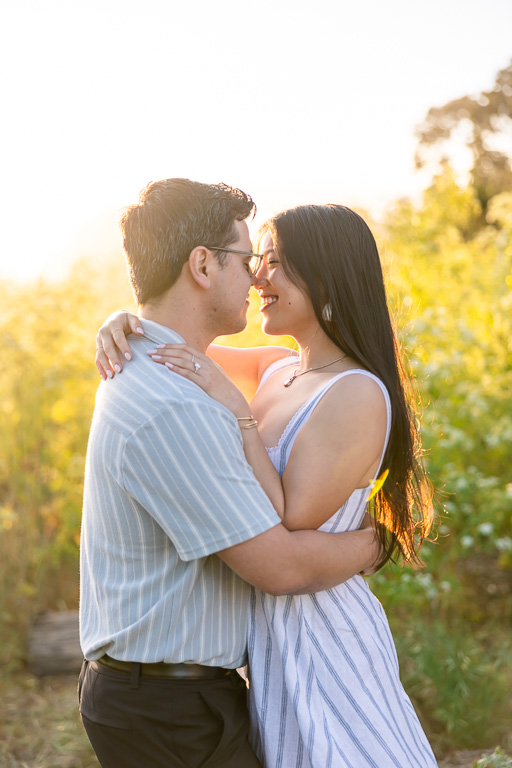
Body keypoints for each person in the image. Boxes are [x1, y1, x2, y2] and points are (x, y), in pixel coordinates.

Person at [97, 203, 438, 767]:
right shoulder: (280, 367)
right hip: (271, 640)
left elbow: (290, 519)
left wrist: (240, 414)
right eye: (258, 260)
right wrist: (118, 323)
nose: (258, 277)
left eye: (276, 263)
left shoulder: (355, 393)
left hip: (322, 632)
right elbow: (175, 343)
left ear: (326, 278)